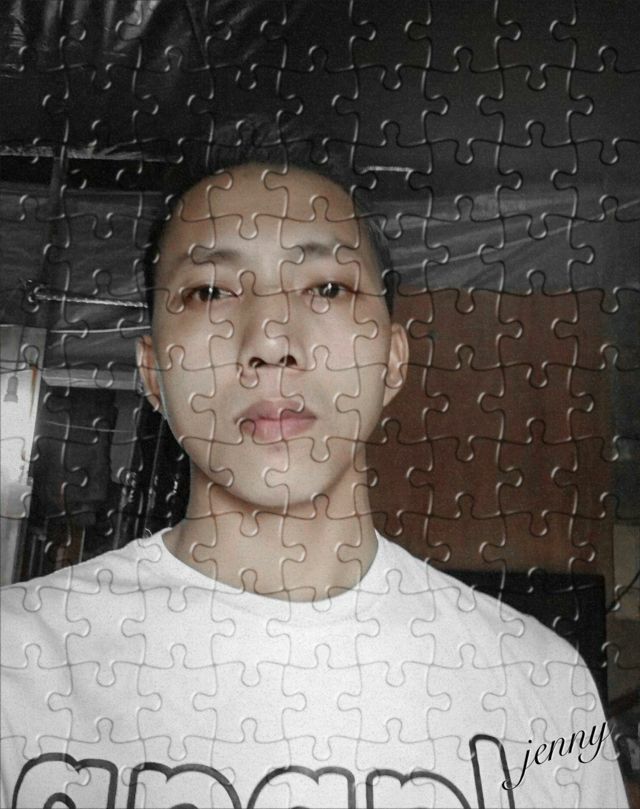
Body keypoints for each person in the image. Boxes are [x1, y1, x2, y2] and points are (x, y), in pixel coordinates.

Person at [1, 128, 628, 808]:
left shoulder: (542, 686)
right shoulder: (17, 659)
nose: (271, 341)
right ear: (153, 372)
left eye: (327, 287)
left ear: (392, 360)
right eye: (209, 292)